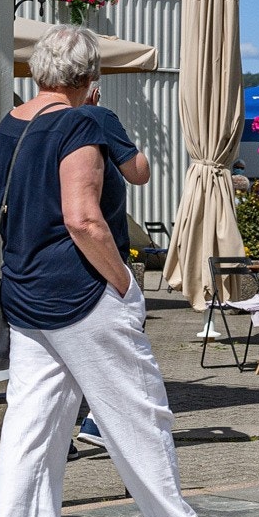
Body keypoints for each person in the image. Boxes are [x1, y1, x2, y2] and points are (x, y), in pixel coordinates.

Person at [0, 25, 244, 517]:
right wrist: (123, 282)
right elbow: (88, 214)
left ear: (38, 71)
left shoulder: (6, 129)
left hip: (26, 298)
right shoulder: (85, 122)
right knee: (137, 415)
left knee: (29, 434)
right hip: (82, 293)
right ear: (88, 76)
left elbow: (1, 218)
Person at [73, 85, 148, 451]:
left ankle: (61, 433)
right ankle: (101, 421)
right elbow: (139, 172)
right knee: (124, 339)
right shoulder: (96, 117)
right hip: (101, 253)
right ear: (92, 88)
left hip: (49, 257)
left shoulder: (28, 122)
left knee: (64, 349)